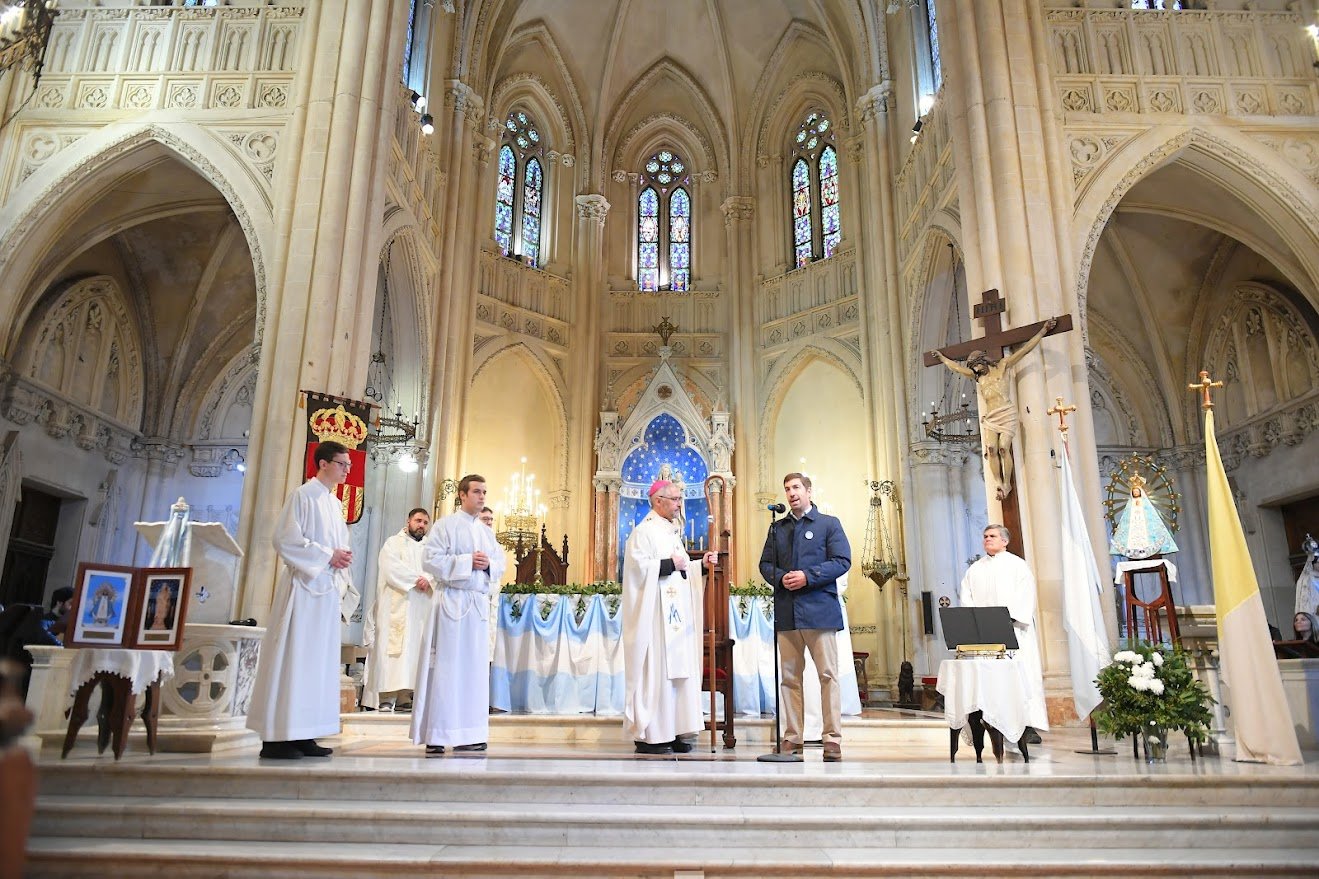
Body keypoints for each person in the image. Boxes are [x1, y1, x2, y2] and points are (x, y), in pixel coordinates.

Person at [246, 440, 356, 760]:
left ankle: (305, 733)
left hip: (325, 593)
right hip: (303, 590)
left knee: (317, 665)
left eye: (348, 465)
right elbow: (285, 539)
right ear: (323, 463)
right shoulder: (303, 495)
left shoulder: (334, 504)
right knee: (293, 660)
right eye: (342, 464)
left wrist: (342, 560)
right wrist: (327, 556)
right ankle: (276, 739)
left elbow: (338, 545)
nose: (347, 470)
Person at [758, 472, 851, 762]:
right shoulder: (778, 528)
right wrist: (782, 577)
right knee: (789, 679)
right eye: (787, 489)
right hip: (788, 613)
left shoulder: (828, 524)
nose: (791, 493)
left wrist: (808, 577)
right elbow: (765, 564)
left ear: (808, 491)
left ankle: (832, 739)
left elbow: (842, 561)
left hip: (820, 612)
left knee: (827, 676)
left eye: (796, 487)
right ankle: (791, 738)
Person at [411, 475, 506, 755]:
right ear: (463, 495)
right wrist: (466, 562)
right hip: (452, 604)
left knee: (473, 673)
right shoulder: (445, 526)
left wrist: (488, 564)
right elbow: (429, 560)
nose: (482, 497)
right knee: (446, 670)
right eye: (477, 491)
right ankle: (438, 733)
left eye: (485, 492)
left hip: (475, 608)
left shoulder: (487, 532)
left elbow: (499, 563)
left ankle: (469, 733)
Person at [622, 479, 718, 755]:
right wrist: (667, 564)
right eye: (675, 499)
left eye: (680, 499)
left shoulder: (672, 533)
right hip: (655, 620)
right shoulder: (644, 532)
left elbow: (682, 570)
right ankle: (652, 735)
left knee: (677, 675)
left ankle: (675, 730)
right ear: (658, 500)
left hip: (675, 618)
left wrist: (701, 565)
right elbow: (636, 571)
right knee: (659, 674)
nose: (679, 504)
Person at [928, 318, 1056, 499]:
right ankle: (998, 482)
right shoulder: (979, 378)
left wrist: (1042, 331)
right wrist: (942, 358)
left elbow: (1025, 350)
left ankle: (1007, 483)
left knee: (1004, 447)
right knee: (991, 448)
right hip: (991, 416)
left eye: (976, 365)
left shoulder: (1003, 366)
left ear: (983, 361)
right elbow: (956, 368)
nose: (975, 369)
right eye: (973, 367)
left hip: (1006, 412)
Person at [959, 524, 1049, 745]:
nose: (987, 539)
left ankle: (1026, 725)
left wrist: (1008, 618)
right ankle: (992, 721)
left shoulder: (1017, 566)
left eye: (992, 536)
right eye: (985, 536)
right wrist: (976, 621)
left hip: (1014, 631)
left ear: (1005, 541)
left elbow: (1025, 595)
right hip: (985, 635)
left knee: (1021, 677)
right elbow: (966, 596)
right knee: (989, 678)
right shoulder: (975, 569)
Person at [361, 508, 435, 711]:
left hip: (421, 607)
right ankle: (386, 697)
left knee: (415, 651)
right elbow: (390, 568)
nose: (421, 525)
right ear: (408, 521)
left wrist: (429, 580)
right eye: (418, 520)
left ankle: (406, 697)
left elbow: (437, 571)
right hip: (397, 605)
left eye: (425, 522)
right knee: (392, 650)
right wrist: (416, 580)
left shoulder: (431, 548)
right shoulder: (393, 543)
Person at [1109, 473, 1177, 559]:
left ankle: (1147, 547)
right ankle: (1133, 549)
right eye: (1134, 492)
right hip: (1133, 524)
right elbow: (1127, 518)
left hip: (1144, 523)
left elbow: (1150, 515)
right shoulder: (1130, 505)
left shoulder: (1146, 504)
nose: (1136, 493)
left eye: (1137, 491)